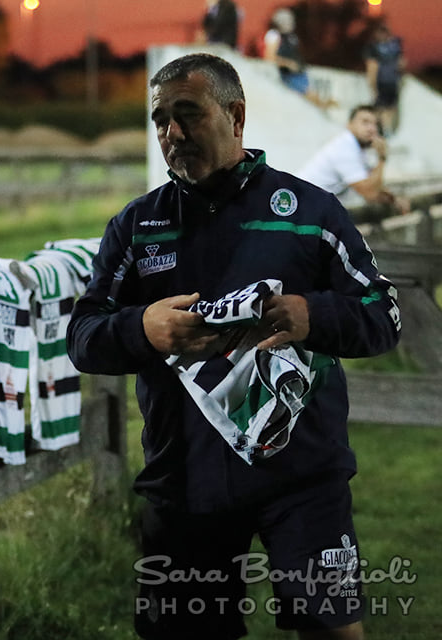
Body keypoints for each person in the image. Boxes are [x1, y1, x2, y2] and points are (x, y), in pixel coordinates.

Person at [67, 53, 401, 640]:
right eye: (161, 120)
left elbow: (385, 314)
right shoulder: (138, 226)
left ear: (236, 114)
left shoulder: (310, 214)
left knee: (333, 632)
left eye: (188, 115)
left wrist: (312, 315)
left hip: (304, 478)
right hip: (184, 483)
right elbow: (84, 335)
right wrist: (143, 328)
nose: (173, 133)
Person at [298, 104, 410, 213]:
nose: (372, 129)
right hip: (300, 207)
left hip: (311, 206)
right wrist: (382, 158)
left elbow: (371, 183)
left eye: (375, 124)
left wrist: (394, 199)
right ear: (349, 125)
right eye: (365, 122)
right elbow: (370, 194)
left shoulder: (357, 148)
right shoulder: (345, 148)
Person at [262, 8, 334, 109]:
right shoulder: (274, 35)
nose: (289, 23)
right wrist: (288, 63)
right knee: (310, 99)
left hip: (300, 73)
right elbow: (269, 58)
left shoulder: (292, 37)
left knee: (314, 98)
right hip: (287, 75)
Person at [364, 23, 405, 135]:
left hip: (381, 82)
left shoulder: (374, 48)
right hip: (393, 82)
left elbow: (372, 66)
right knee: (390, 108)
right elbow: (402, 63)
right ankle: (388, 132)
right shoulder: (395, 46)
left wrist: (372, 84)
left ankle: (380, 132)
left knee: (379, 108)